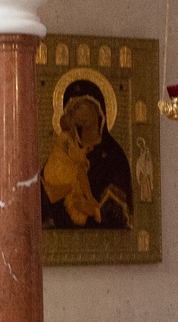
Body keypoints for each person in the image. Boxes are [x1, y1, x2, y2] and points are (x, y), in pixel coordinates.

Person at [41, 78, 134, 229]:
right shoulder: (64, 151)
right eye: (72, 108)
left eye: (80, 106)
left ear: (98, 109)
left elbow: (122, 209)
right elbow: (44, 200)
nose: (75, 111)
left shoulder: (114, 155)